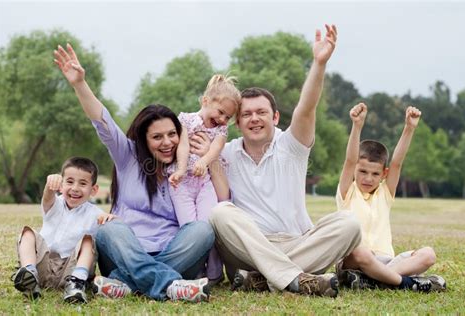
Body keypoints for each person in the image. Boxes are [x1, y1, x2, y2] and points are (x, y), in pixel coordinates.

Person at [208, 24, 361, 297]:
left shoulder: (291, 145)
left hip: (297, 244)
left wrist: (319, 63)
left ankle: (262, 279)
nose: (254, 118)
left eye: (261, 112)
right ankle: (293, 277)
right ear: (237, 122)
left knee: (350, 224)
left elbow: (307, 107)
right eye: (247, 114)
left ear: (275, 117)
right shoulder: (225, 152)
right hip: (247, 248)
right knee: (220, 213)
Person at [54, 44, 214, 303]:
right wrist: (80, 84)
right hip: (124, 249)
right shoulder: (127, 156)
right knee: (109, 230)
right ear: (143, 139)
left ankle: (123, 282)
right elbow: (102, 121)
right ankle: (172, 284)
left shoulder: (186, 167)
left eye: (172, 134)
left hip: (173, 251)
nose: (167, 142)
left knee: (202, 231)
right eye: (157, 137)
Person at [335, 103, 446, 292]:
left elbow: (397, 163)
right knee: (362, 252)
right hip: (355, 260)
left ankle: (373, 280)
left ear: (384, 174)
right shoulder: (348, 191)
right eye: (362, 171)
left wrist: (409, 128)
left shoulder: (385, 193)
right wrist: (357, 126)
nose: (368, 178)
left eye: (375, 174)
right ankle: (404, 283)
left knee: (428, 254)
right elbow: (350, 159)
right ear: (355, 170)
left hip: (387, 260)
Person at [13, 157, 120, 303]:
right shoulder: (54, 204)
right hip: (43, 267)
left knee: (88, 241)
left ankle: (76, 285)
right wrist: (50, 184)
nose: (75, 188)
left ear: (93, 190)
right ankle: (29, 274)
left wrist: (109, 219)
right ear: (61, 185)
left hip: (70, 270)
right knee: (27, 233)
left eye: (83, 183)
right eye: (69, 182)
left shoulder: (96, 214)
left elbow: (110, 231)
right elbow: (48, 196)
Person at [168, 74, 241, 284]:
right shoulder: (185, 120)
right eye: (220, 112)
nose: (222, 119)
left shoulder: (220, 130)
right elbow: (182, 145)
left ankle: (215, 272)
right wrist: (181, 169)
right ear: (205, 101)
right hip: (182, 184)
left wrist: (204, 161)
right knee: (189, 227)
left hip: (204, 183)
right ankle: (196, 269)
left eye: (228, 117)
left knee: (209, 224)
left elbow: (215, 150)